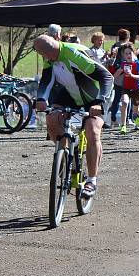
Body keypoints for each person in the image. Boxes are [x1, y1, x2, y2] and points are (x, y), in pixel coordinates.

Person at [33, 35, 113, 198]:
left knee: (92, 130)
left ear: (50, 51)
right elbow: (47, 79)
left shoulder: (73, 55)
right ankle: (65, 154)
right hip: (72, 94)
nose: (43, 58)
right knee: (52, 119)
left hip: (96, 95)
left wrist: (99, 102)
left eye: (43, 55)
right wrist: (41, 98)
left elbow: (106, 77)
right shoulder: (50, 57)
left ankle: (91, 181)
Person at [113, 43, 139, 134]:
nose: (128, 55)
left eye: (130, 53)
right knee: (124, 102)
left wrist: (132, 75)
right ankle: (123, 126)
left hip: (136, 89)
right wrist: (110, 79)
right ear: (123, 55)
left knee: (136, 110)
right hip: (126, 88)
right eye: (126, 54)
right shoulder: (124, 64)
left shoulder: (137, 63)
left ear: (133, 53)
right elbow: (117, 73)